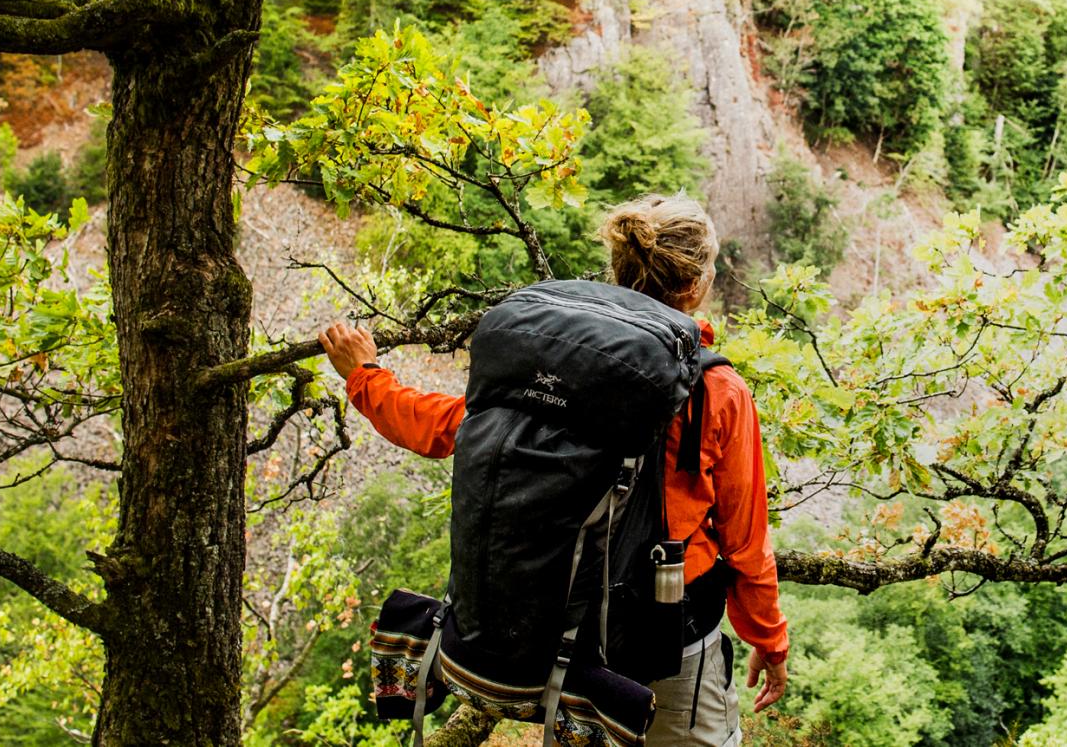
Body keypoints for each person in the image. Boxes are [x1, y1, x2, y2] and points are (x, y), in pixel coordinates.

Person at [319, 195, 788, 746]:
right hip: (665, 640)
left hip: (556, 631)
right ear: (696, 286)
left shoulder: (550, 355)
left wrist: (366, 376)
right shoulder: (714, 391)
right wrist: (769, 640)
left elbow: (438, 427)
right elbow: (745, 543)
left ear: (619, 268)